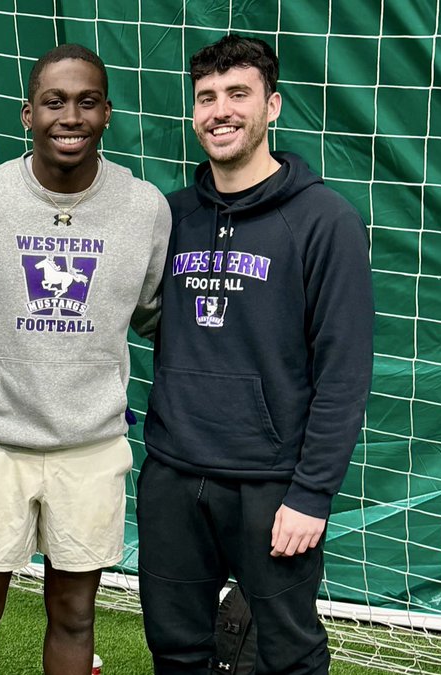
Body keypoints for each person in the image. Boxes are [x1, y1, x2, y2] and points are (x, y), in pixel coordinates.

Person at [137, 34, 373, 674]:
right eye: (206, 97)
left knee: (288, 651)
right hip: (173, 473)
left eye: (238, 94)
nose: (220, 110)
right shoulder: (172, 215)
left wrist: (312, 494)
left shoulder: (325, 220)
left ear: (272, 106)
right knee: (175, 647)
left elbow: (344, 373)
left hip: (272, 483)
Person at [0, 44, 170, 675]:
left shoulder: (145, 206)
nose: (70, 115)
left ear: (107, 114)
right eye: (54, 101)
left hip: (90, 447)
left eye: (86, 101)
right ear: (27, 114)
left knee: (75, 613)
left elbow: (153, 314)